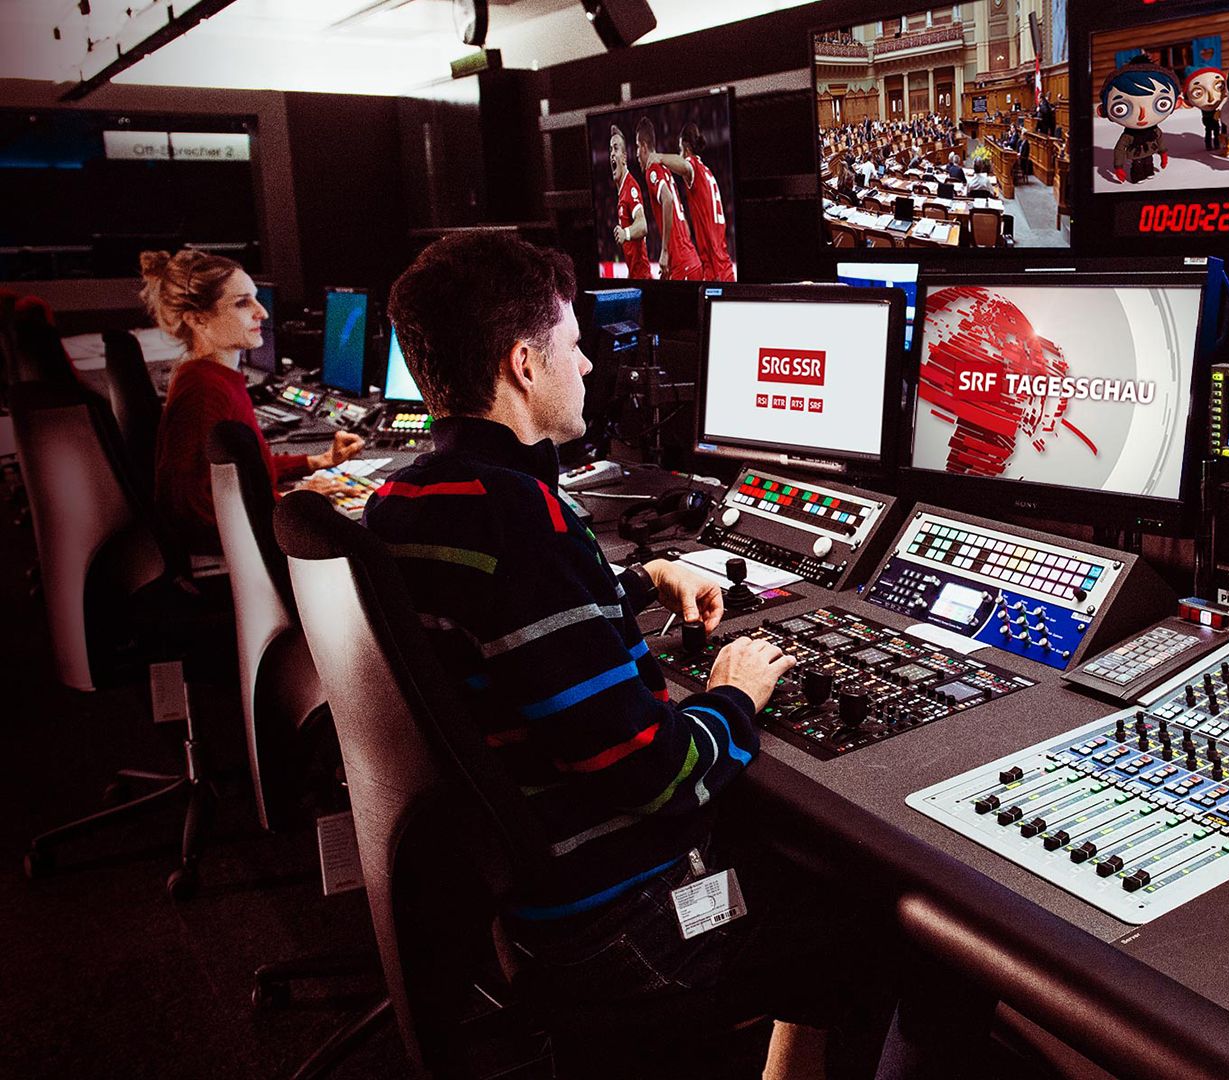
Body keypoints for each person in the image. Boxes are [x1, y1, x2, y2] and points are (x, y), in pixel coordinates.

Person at [369, 232, 981, 1079]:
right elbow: (658, 774)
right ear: (523, 365)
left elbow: (507, 637)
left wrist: (631, 583)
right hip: (631, 927)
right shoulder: (521, 521)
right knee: (910, 923)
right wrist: (734, 694)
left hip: (533, 902)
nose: (587, 365)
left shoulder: (409, 498)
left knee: (799, 852)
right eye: (574, 345)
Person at [142, 249, 360, 553]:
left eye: (255, 299)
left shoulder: (215, 375)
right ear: (197, 319)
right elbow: (187, 503)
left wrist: (315, 462)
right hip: (239, 554)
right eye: (242, 302)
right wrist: (288, 502)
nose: (262, 313)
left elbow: (239, 470)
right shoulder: (203, 390)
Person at [633, 116, 704, 280]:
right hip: (690, 261)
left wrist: (665, 251)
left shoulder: (652, 169)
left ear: (644, 146)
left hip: (683, 265)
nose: (636, 153)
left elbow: (668, 199)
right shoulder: (665, 169)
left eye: (637, 146)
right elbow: (684, 224)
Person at [674, 121, 736, 282]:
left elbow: (684, 165)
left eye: (680, 150)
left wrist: (658, 157)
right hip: (724, 265)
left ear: (686, 149)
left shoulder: (693, 166)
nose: (679, 154)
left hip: (714, 270)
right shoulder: (707, 172)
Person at [1101, 57, 1178, 184]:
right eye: (1120, 108)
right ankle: (1138, 176)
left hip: (1150, 151)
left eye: (1162, 103)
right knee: (1137, 164)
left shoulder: (1154, 130)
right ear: (1102, 111)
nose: (1142, 116)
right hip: (1136, 154)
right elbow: (1119, 149)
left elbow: (1160, 140)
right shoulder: (1129, 136)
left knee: (1148, 161)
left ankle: (1149, 172)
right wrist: (1118, 166)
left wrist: (1163, 152)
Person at [608, 125, 652, 279]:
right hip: (635, 275)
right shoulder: (622, 192)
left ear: (624, 158)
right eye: (610, 150)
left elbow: (643, 225)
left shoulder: (631, 186)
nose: (612, 154)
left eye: (616, 148)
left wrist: (625, 233)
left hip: (642, 278)